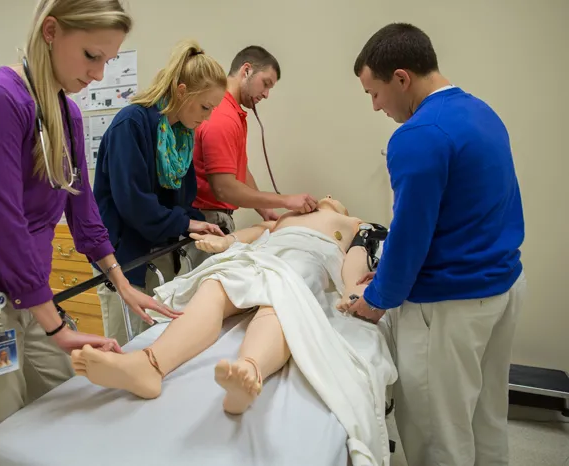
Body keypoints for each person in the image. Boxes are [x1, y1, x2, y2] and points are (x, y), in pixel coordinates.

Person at [0, 2, 178, 465]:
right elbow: (4, 223)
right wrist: (55, 325)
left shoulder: (66, 113)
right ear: (51, 31)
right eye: (91, 55)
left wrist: (122, 282)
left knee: (69, 405)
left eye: (108, 61)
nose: (98, 74)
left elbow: (83, 211)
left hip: (23, 296)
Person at [72, 196, 398, 465]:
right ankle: (150, 364)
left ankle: (249, 370)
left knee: (281, 301)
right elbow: (252, 233)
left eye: (333, 197)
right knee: (215, 285)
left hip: (306, 259)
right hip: (258, 258)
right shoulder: (281, 220)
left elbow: (356, 256)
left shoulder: (353, 224)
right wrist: (223, 241)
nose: (326, 197)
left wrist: (349, 292)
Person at [345, 23, 527, 466]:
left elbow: (410, 234)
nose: (375, 107)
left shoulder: (417, 135)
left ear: (402, 78)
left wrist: (377, 298)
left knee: (437, 433)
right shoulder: (482, 112)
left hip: (448, 306)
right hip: (500, 287)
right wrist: (386, 271)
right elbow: (463, 214)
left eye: (375, 93)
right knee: (486, 418)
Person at [92, 40, 227, 345]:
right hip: (125, 262)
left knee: (160, 345)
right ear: (182, 91)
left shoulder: (180, 137)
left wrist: (199, 224)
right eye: (205, 107)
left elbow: (182, 199)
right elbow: (134, 203)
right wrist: (185, 223)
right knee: (127, 349)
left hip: (160, 256)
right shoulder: (132, 125)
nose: (206, 117)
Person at [191, 45, 318, 236]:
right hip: (207, 221)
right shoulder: (223, 116)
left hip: (217, 218)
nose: (266, 94)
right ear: (246, 70)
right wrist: (286, 200)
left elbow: (240, 170)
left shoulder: (233, 113)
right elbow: (224, 189)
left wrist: (264, 209)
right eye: (265, 83)